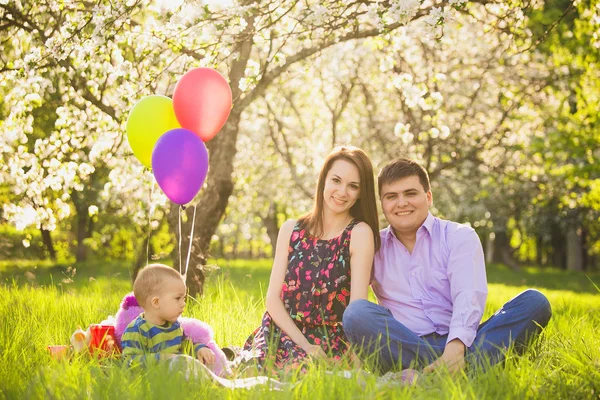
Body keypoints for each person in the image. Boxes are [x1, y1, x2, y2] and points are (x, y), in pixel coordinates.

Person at [342, 158, 552, 374]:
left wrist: (456, 346)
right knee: (356, 313)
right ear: (382, 204)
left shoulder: (459, 236)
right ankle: (463, 369)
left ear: (429, 197)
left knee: (535, 302)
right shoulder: (372, 244)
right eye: (391, 196)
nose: (402, 203)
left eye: (410, 193)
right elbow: (342, 292)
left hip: (462, 340)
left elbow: (467, 295)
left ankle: (434, 370)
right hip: (402, 343)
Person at [243, 145, 380, 373]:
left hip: (330, 341)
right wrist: (303, 344)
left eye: (353, 186)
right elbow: (273, 300)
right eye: (336, 180)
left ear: (361, 193)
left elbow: (357, 310)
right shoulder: (291, 229)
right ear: (323, 180)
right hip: (283, 332)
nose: (342, 191)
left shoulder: (359, 233)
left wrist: (357, 366)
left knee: (303, 377)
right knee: (251, 373)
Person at [121, 264, 216, 367]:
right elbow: (129, 362)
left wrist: (199, 349)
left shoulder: (174, 326)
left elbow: (185, 346)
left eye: (183, 298)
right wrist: (161, 358)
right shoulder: (137, 330)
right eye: (177, 298)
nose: (183, 303)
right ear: (156, 302)